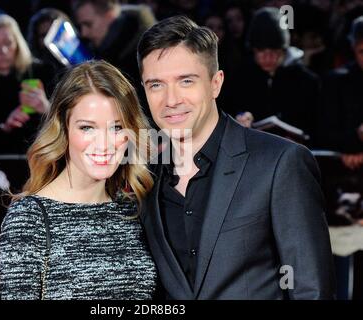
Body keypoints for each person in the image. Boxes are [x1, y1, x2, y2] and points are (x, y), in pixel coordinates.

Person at [137, 15, 336, 299]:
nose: (171, 100)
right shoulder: (145, 178)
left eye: (186, 81)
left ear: (215, 83)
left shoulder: (279, 163)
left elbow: (311, 289)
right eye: (156, 85)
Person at [0, 60, 158, 300]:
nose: (103, 144)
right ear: (64, 129)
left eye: (116, 128)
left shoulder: (132, 209)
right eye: (87, 128)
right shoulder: (29, 218)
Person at [222, 7, 320, 145]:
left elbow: (316, 124)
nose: (268, 57)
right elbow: (228, 110)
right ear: (253, 50)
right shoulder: (241, 76)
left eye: (274, 51)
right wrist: (240, 117)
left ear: (284, 50)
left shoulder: (307, 80)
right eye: (261, 51)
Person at [0, 14, 54, 154]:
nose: (3, 51)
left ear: (17, 44)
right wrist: (5, 127)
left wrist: (46, 108)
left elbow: (69, 123)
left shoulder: (42, 72)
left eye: (8, 43)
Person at [318, 15, 363, 170]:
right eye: (362, 51)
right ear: (353, 49)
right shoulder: (336, 81)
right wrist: (354, 138)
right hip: (340, 166)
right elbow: (324, 132)